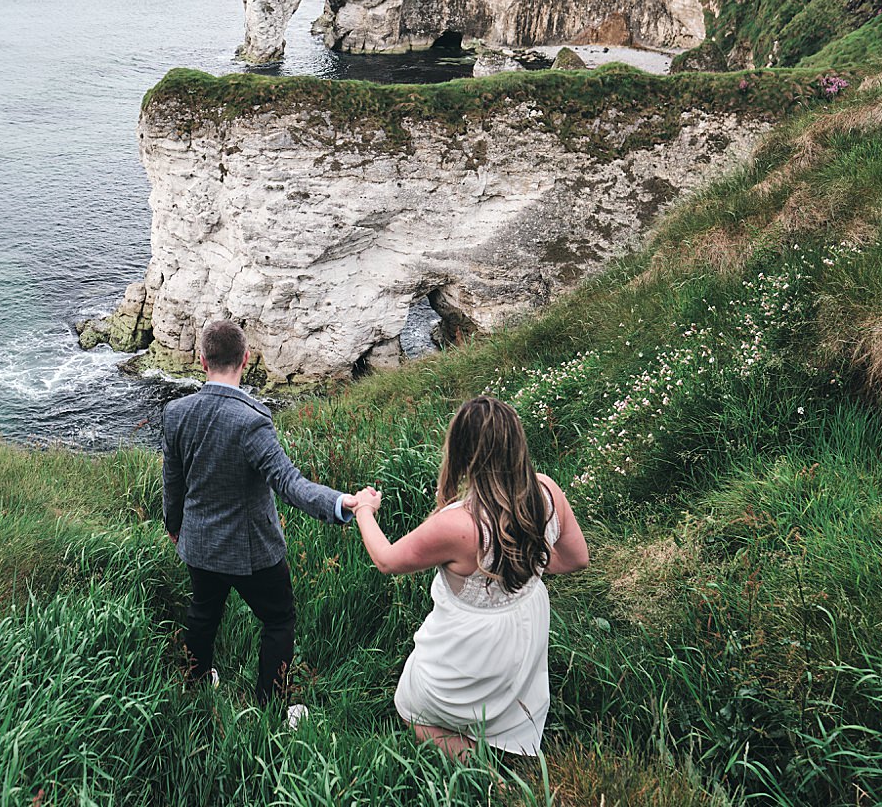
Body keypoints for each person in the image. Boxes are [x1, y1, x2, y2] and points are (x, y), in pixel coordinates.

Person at [350, 396, 589, 759]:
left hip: (474, 643)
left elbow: (386, 561)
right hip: (527, 628)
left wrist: (365, 511)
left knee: (412, 708)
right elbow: (576, 559)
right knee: (507, 703)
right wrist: (524, 568)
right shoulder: (546, 491)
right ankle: (508, 730)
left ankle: (490, 780)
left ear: (462, 452)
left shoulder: (457, 524)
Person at [162, 319, 358, 718]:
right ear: (246, 359)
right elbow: (289, 483)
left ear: (203, 361)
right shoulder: (252, 419)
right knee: (279, 619)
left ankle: (197, 683)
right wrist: (341, 504)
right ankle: (272, 706)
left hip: (198, 543)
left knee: (203, 613)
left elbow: (173, 482)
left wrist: (174, 526)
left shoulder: (176, 413)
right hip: (252, 551)